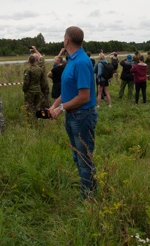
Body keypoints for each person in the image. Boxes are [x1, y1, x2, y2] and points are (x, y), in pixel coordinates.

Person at [50, 26, 98, 198]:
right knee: (77, 156)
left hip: (82, 116)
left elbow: (84, 97)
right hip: (72, 115)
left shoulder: (81, 62)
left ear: (67, 40)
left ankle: (90, 199)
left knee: (85, 159)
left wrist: (61, 108)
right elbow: (68, 90)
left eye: (64, 37)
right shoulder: (71, 60)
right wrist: (54, 105)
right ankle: (87, 190)